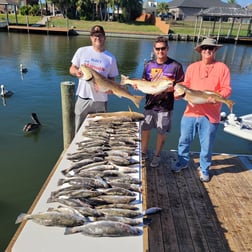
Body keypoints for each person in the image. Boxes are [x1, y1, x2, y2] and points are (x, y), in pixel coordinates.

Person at [173, 37, 232, 182]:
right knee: (184, 140)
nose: (207, 51)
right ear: (200, 51)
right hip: (190, 112)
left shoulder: (222, 68)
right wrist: (178, 94)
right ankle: (182, 162)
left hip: (211, 115)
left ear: (214, 50)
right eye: (204, 48)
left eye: (210, 48)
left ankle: (204, 169)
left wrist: (219, 97)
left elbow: (226, 88)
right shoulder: (192, 67)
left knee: (206, 145)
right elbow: (185, 85)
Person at [141, 36, 185, 167]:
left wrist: (172, 89)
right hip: (149, 104)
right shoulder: (148, 64)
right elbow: (144, 80)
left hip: (165, 106)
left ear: (167, 49)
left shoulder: (176, 66)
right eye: (158, 49)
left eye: (163, 48)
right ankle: (143, 152)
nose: (160, 51)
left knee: (161, 132)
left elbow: (182, 85)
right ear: (154, 49)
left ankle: (157, 156)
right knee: (145, 129)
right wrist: (139, 85)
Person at [69, 25, 119, 133]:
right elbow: (72, 68)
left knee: (99, 132)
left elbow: (112, 79)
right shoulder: (81, 51)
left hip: (101, 101)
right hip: (83, 98)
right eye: (95, 36)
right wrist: (76, 72)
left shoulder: (110, 58)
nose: (98, 38)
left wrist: (111, 90)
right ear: (91, 37)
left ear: (104, 37)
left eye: (100, 35)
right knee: (78, 130)